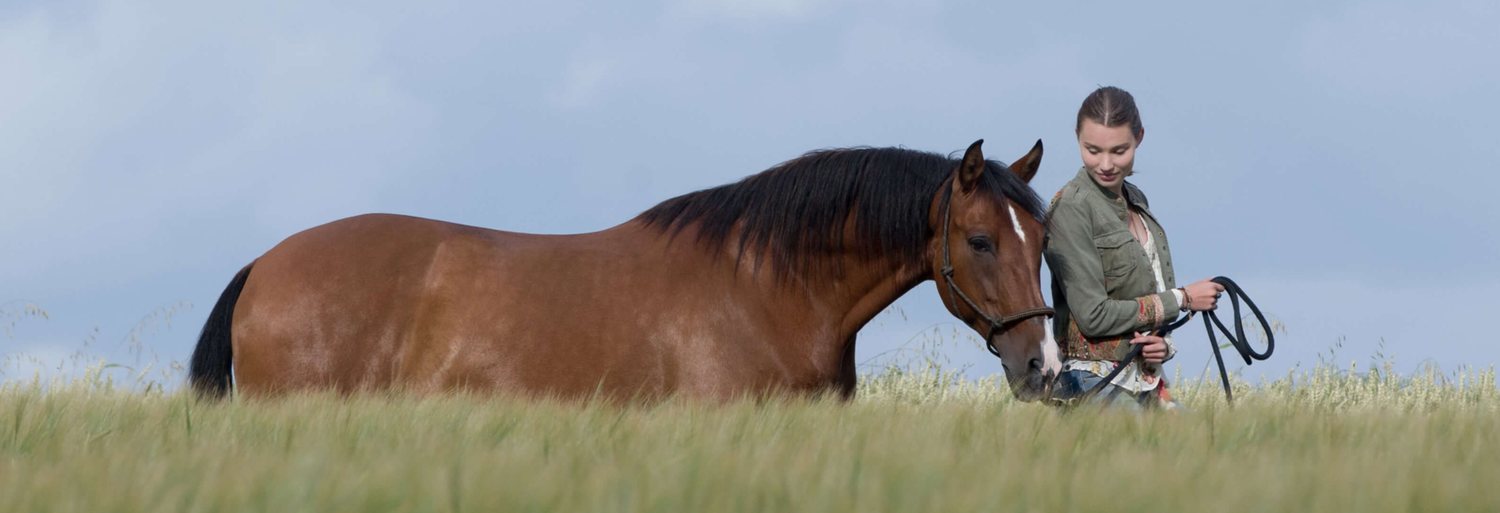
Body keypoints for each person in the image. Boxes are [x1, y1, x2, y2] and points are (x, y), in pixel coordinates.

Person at [1043, 86, 1224, 409]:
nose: (1106, 164)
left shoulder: (1136, 200)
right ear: (1077, 138)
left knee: (1207, 447)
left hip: (1145, 378)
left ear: (1139, 137)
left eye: (1119, 150)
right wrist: (1182, 299)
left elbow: (1143, 296)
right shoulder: (1071, 208)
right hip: (1090, 382)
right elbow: (1093, 316)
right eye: (1092, 150)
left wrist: (1161, 345)